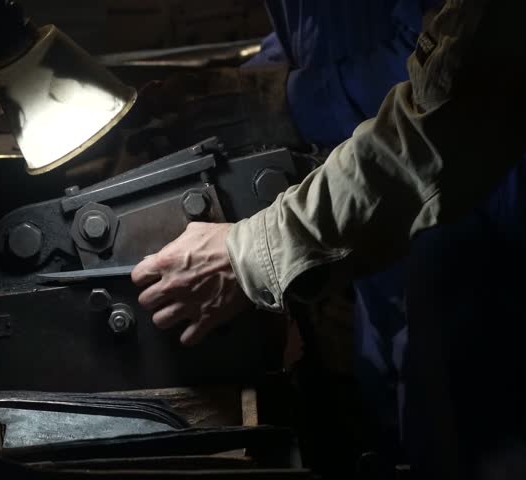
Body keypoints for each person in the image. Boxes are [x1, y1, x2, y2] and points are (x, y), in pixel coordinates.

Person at [132, 0, 526, 477]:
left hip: (485, 261)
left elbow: (444, 120)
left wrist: (255, 252)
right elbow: (326, 20)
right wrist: (254, 78)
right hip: (387, 270)